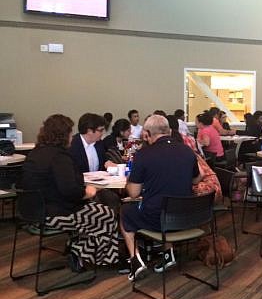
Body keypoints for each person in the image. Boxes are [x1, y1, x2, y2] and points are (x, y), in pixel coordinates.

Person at [18, 114, 119, 271]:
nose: (72, 136)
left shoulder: (36, 153)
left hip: (31, 211)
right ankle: (88, 255)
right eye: (70, 133)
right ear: (63, 135)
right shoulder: (59, 157)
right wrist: (89, 192)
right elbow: (70, 191)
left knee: (97, 211)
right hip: (54, 214)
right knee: (105, 214)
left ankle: (79, 249)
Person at [120, 115, 201, 281]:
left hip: (159, 219)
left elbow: (134, 193)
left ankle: (135, 261)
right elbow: (197, 178)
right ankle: (168, 253)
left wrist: (129, 181)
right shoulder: (186, 150)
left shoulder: (144, 155)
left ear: (147, 134)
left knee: (126, 211)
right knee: (166, 201)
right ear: (169, 131)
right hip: (188, 216)